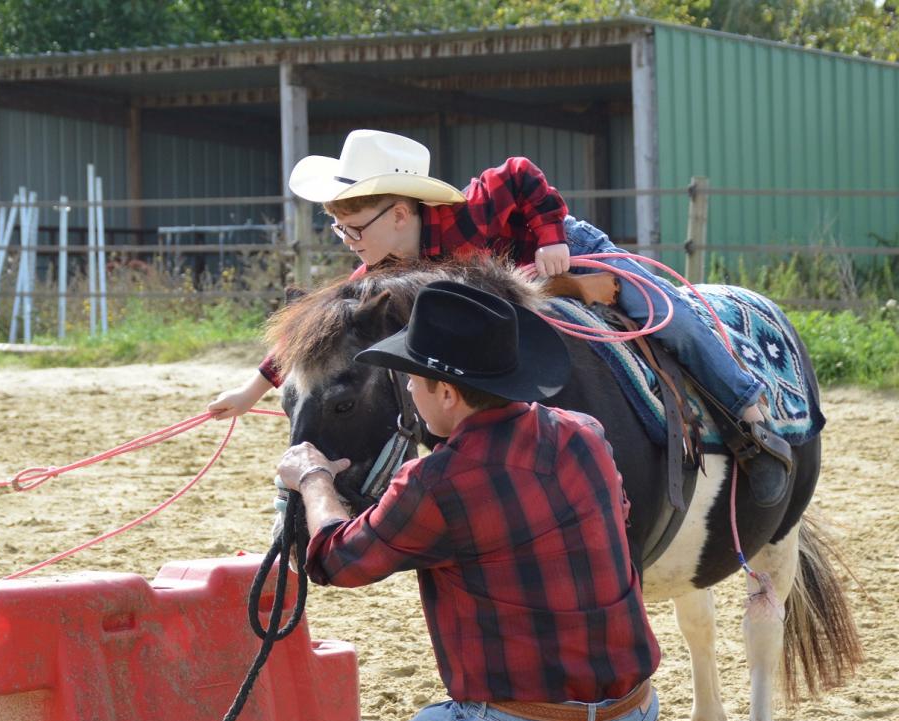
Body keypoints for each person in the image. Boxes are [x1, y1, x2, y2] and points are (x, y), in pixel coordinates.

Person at [277, 274, 661, 721]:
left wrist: (313, 478)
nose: (406, 389)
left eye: (411, 379)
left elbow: (337, 560)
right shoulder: (584, 435)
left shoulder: (437, 482)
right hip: (629, 715)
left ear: (447, 394)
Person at [211, 129, 791, 506]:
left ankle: (747, 417)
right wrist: (248, 390)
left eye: (354, 228)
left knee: (661, 312)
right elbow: (325, 337)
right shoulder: (386, 264)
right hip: (508, 283)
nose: (347, 242)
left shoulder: (474, 205)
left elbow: (523, 174)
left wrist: (547, 239)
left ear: (400, 211)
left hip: (562, 248)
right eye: (340, 229)